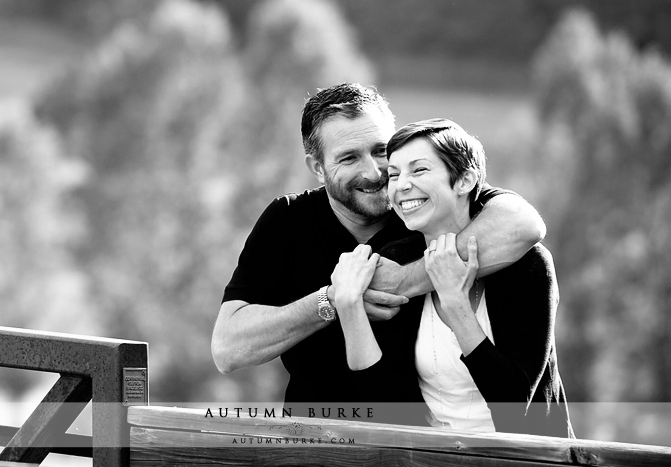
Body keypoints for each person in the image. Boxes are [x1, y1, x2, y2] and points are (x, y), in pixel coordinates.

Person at [211, 83, 546, 417]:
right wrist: (333, 301)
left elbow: (523, 224)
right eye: (348, 158)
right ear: (317, 167)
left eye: (380, 151)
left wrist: (404, 280)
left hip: (418, 441)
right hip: (314, 438)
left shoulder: (422, 209)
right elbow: (229, 349)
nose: (374, 173)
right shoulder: (288, 222)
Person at [333, 118, 573, 436]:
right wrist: (349, 307)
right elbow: (382, 402)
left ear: (464, 181)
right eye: (394, 174)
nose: (401, 185)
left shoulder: (528, 266)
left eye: (419, 170)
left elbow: (513, 401)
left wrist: (454, 300)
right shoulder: (394, 261)